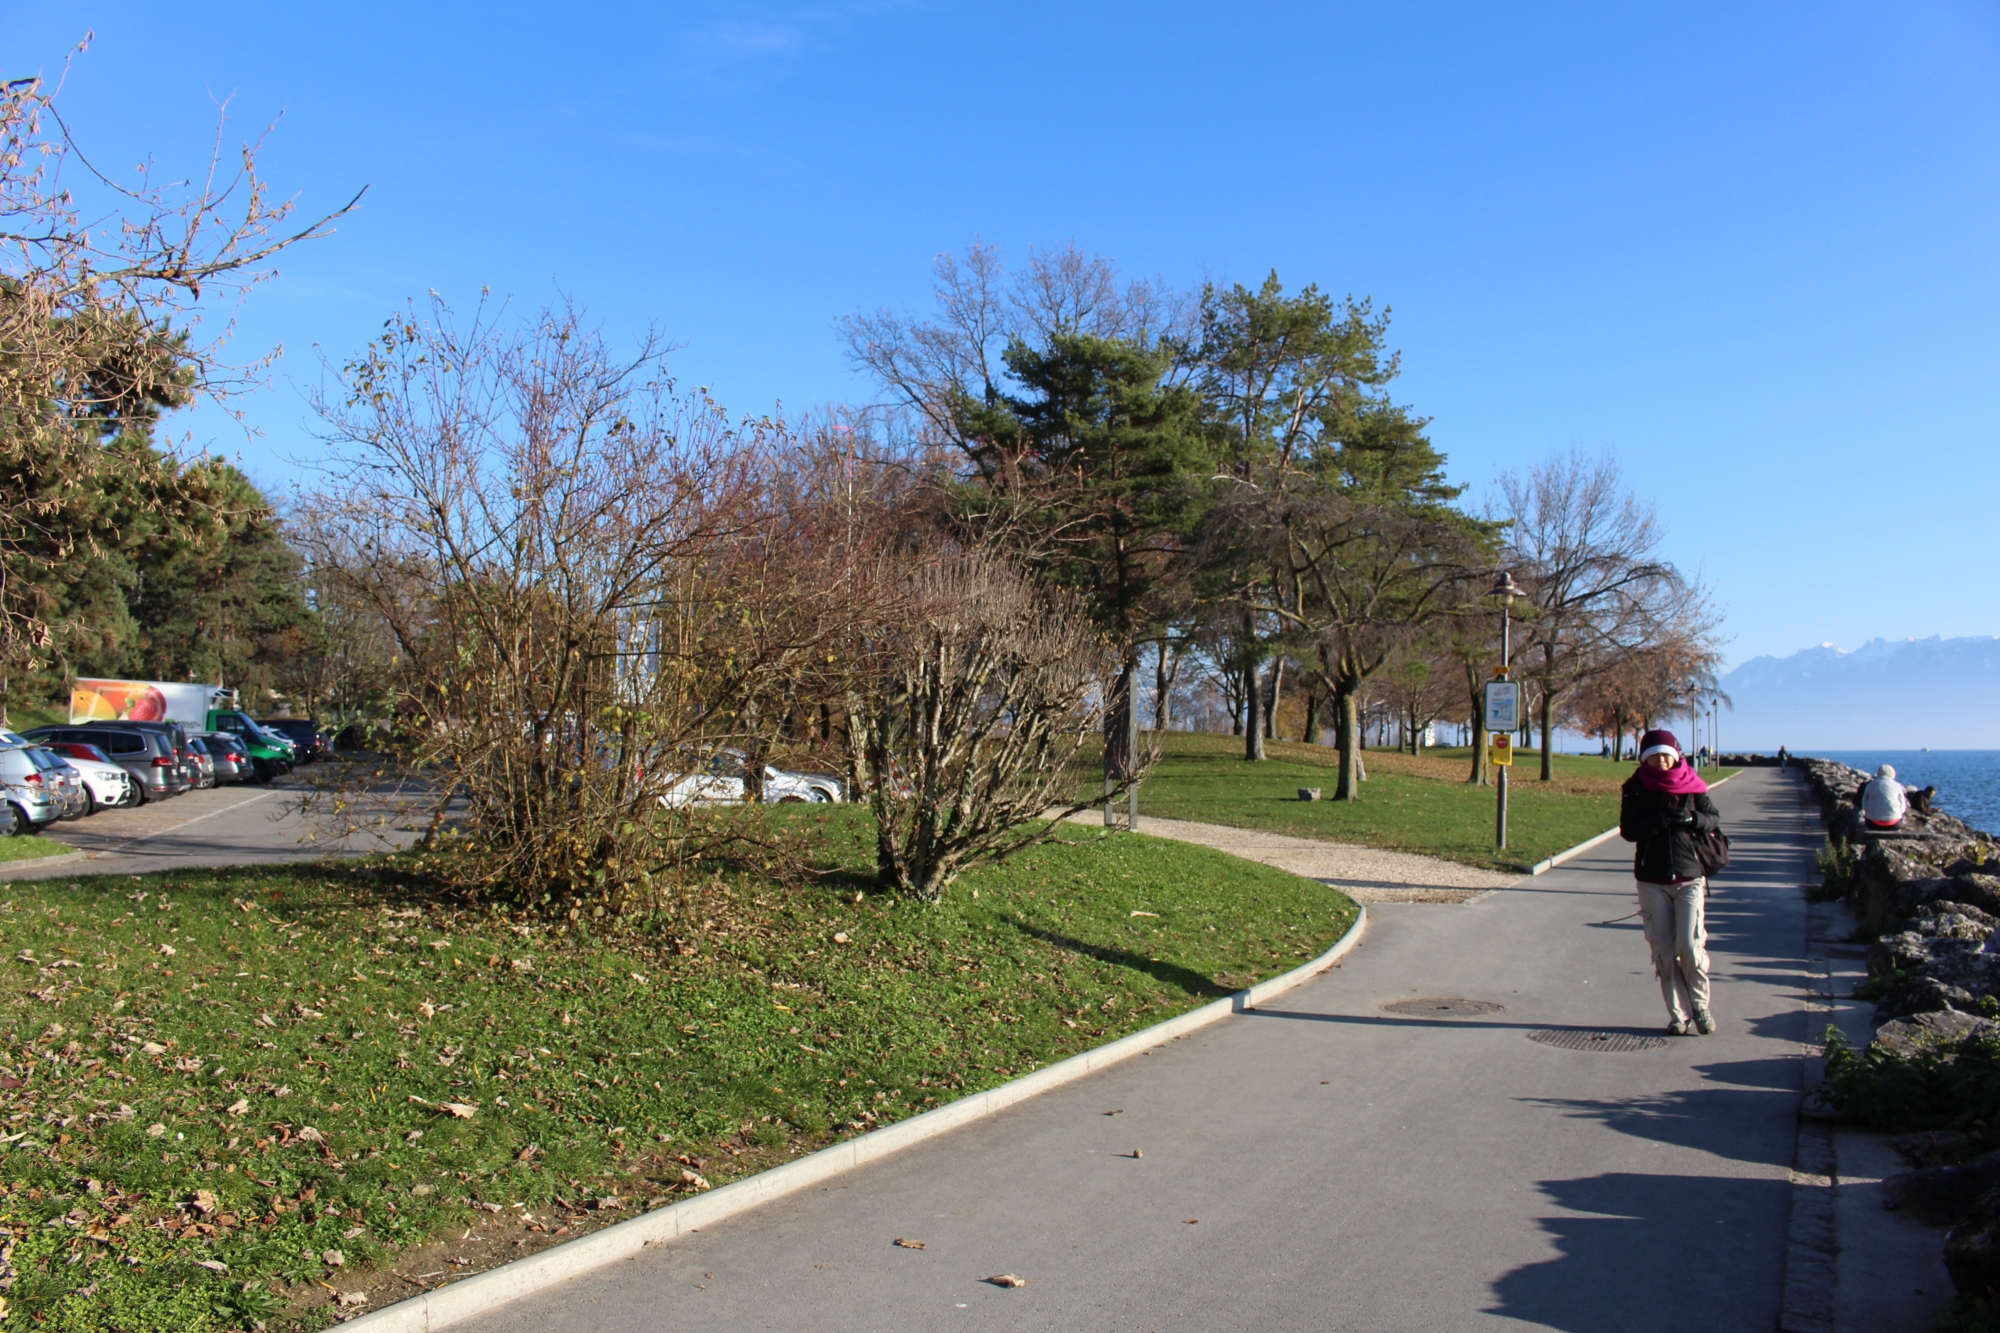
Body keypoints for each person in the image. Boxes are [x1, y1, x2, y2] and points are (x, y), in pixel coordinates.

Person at [1619, 729, 1723, 1036]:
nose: (1661, 761)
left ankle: (1701, 1007)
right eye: (1654, 755)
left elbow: (1713, 818)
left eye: (1666, 755)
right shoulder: (1635, 788)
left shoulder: (1693, 785)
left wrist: (1691, 820)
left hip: (1689, 876)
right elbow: (1628, 830)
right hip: (1652, 879)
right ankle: (1679, 1016)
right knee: (1663, 951)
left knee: (1689, 946)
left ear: (1676, 755)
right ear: (1644, 758)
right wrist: (1658, 822)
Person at [1860, 764, 1909, 829]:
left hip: (1873, 823)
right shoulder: (1897, 786)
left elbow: (1864, 805)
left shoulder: (1870, 785)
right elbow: (1902, 808)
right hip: (1894, 824)